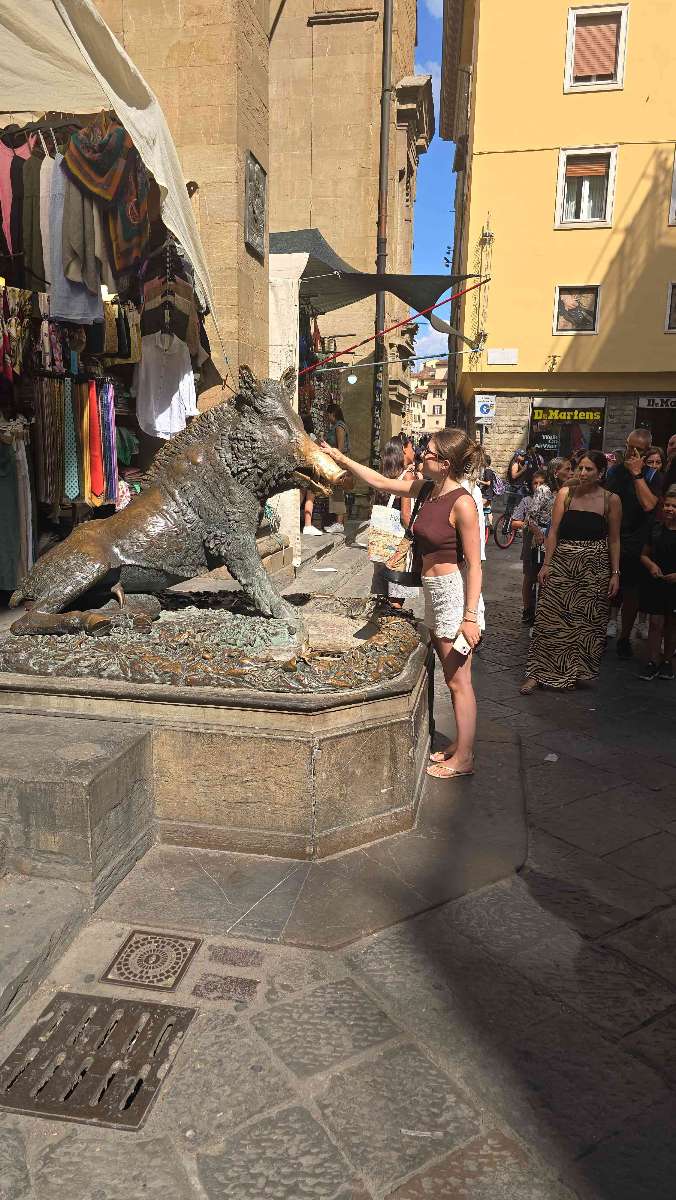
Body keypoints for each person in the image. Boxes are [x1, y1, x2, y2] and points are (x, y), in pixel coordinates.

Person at [321, 427, 483, 779]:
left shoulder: (463, 503)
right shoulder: (428, 490)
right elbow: (380, 482)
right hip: (434, 591)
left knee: (459, 680)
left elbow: (474, 565)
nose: (423, 455)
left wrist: (470, 617)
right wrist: (341, 458)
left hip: (453, 595)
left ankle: (465, 757)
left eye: (430, 452)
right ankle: (461, 744)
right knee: (453, 676)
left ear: (446, 463)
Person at [520, 451, 621, 693]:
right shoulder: (565, 494)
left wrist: (615, 573)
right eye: (580, 468)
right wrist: (546, 564)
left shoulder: (611, 500)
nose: (583, 473)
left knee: (586, 623)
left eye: (589, 469)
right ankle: (537, 673)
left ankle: (573, 671)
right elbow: (553, 532)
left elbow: (615, 540)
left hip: (594, 568)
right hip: (563, 562)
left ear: (600, 473)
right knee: (549, 618)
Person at [606, 429, 661, 658]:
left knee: (631, 592)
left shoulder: (652, 475)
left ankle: (624, 637)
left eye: (638, 449)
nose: (632, 452)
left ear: (647, 451)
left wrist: (638, 475)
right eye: (630, 447)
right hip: (614, 536)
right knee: (608, 589)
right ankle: (603, 629)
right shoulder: (615, 472)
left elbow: (649, 505)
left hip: (637, 539)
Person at [371, 437, 418, 610]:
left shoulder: (385, 475)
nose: (414, 451)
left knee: (383, 592)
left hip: (381, 542)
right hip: (398, 543)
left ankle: (380, 624)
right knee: (397, 595)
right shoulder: (406, 478)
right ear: (404, 450)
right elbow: (406, 517)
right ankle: (393, 628)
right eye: (412, 447)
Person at [638, 484, 676, 680]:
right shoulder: (655, 528)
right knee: (655, 623)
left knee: (671, 625)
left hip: (674, 585)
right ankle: (652, 659)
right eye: (667, 505)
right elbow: (644, 554)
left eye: (674, 506)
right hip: (656, 581)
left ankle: (667, 660)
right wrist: (651, 565)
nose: (669, 509)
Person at [512, 469, 552, 623]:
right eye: (535, 483)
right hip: (530, 546)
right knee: (529, 579)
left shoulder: (550, 499)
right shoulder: (527, 501)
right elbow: (515, 522)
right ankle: (527, 610)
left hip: (546, 546)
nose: (538, 486)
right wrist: (531, 525)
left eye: (541, 483)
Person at [324, 403, 350, 533]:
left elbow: (339, 448)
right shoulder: (338, 426)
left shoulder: (339, 427)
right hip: (338, 462)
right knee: (337, 492)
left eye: (328, 415)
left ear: (332, 414)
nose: (327, 417)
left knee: (338, 492)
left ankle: (339, 523)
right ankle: (340, 521)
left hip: (338, 463)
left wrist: (335, 460)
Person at [300, 413, 323, 536]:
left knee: (300, 496)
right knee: (310, 497)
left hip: (301, 469)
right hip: (312, 470)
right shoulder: (312, 436)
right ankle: (307, 525)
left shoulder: (299, 436)